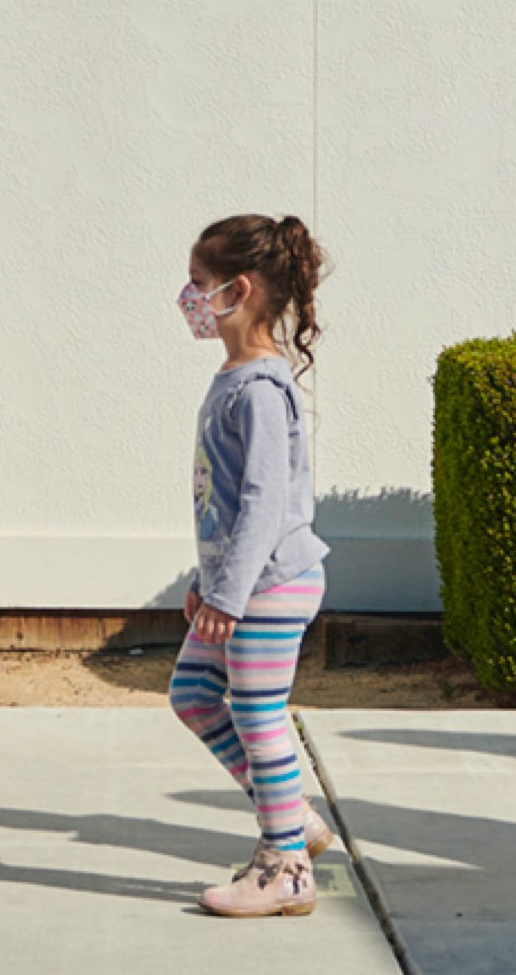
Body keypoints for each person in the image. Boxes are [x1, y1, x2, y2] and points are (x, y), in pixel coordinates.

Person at [169, 214, 337, 918]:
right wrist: (206, 583)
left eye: (199, 283)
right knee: (193, 695)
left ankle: (284, 867)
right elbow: (229, 504)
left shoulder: (262, 388)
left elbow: (267, 504)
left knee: (259, 715)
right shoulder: (234, 378)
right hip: (241, 586)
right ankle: (292, 816)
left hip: (271, 584)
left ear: (236, 291)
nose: (188, 296)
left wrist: (229, 594)